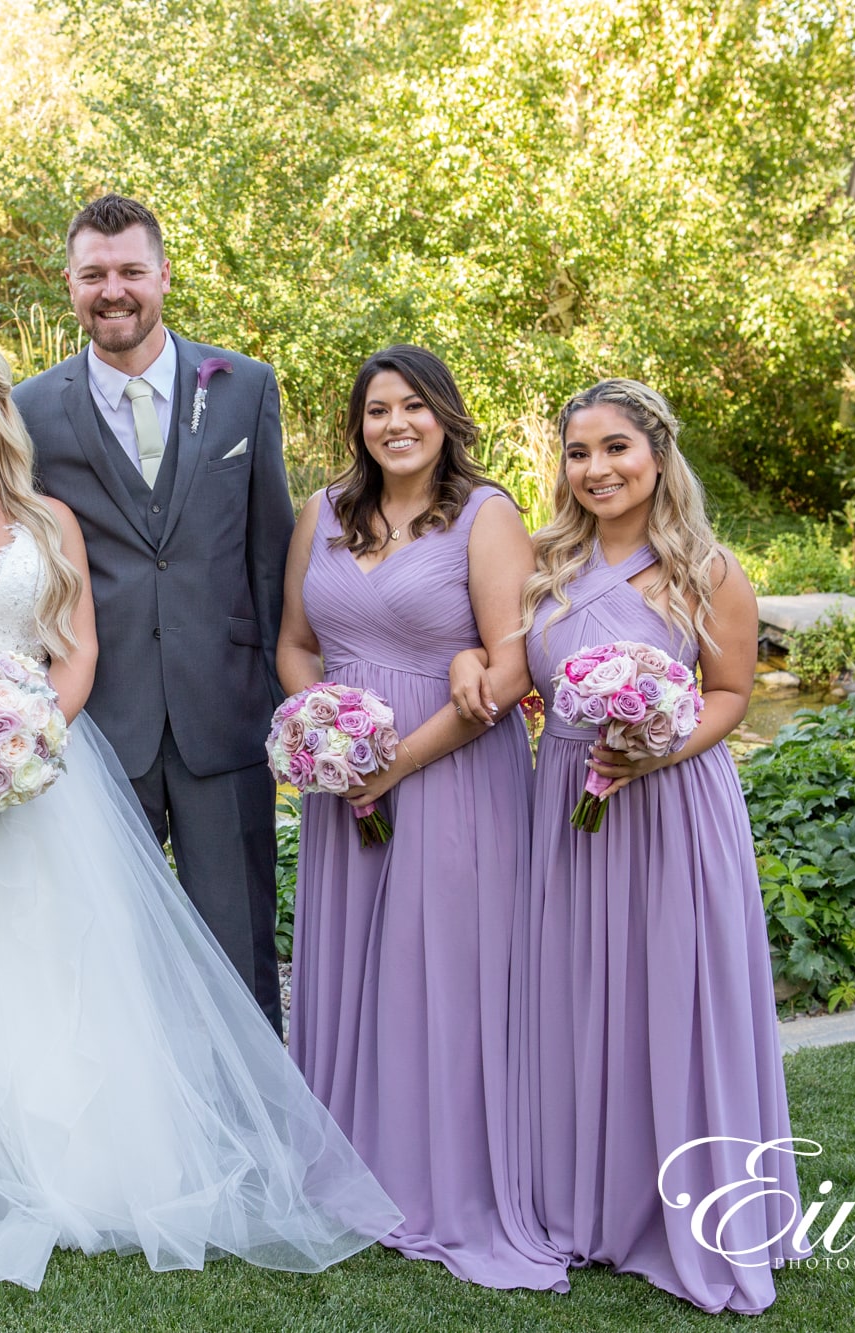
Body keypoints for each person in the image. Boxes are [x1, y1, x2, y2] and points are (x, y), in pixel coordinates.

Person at [0, 330, 402, 1294]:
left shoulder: (49, 517)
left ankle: (55, 1138)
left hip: (35, 770)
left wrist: (27, 737)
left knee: (40, 951)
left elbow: (78, 652)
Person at [453, 378, 804, 1313]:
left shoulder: (707, 570)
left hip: (673, 804)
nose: (597, 469)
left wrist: (654, 747)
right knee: (570, 994)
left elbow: (730, 696)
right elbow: (495, 658)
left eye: (616, 448)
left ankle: (690, 1210)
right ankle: (584, 1205)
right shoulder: (541, 561)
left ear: (657, 454)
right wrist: (463, 666)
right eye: (578, 453)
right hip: (564, 801)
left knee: (672, 996)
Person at [277, 347, 567, 1288]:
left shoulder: (487, 516)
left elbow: (511, 666)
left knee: (440, 973)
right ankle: (354, 1165)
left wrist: (391, 763)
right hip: (347, 777)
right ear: (356, 424)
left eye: (413, 407)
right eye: (375, 410)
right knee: (354, 966)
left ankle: (446, 1180)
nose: (394, 424)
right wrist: (323, 731)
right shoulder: (321, 510)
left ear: (445, 415)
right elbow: (297, 642)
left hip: (450, 778)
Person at [13, 194, 295, 1030]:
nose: (114, 290)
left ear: (163, 276)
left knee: (240, 942)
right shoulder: (27, 410)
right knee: (105, 947)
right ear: (69, 283)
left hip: (225, 710)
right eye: (94, 274)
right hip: (100, 721)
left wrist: (289, 705)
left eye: (131, 271)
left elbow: (270, 554)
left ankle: (260, 1143)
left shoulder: (244, 387)